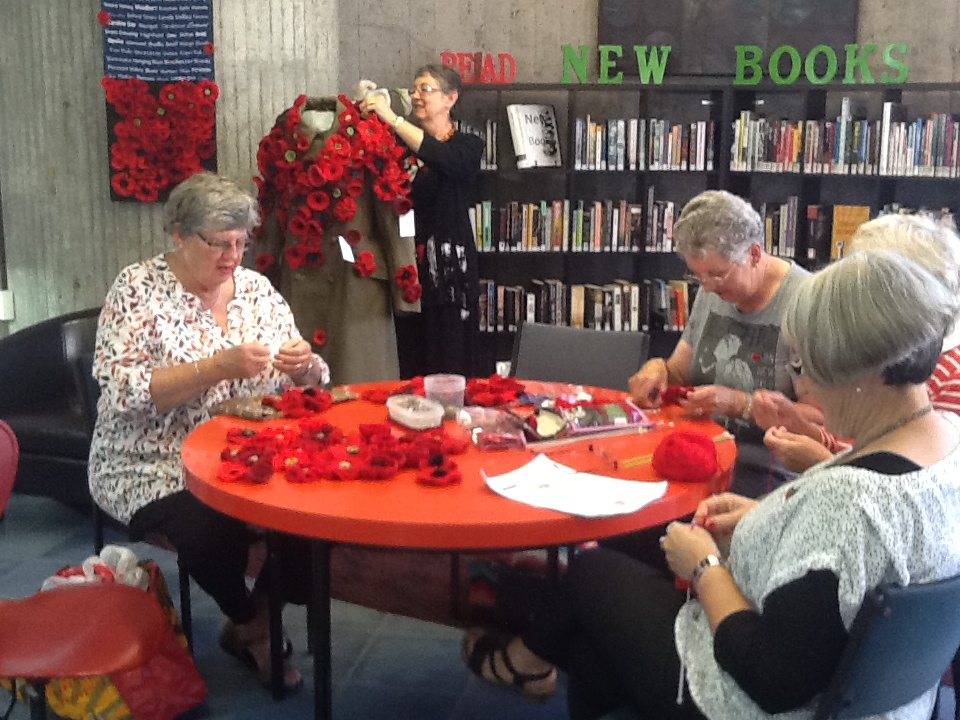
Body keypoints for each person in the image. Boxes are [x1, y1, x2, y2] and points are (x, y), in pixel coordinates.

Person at [462, 248, 960, 720]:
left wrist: (703, 567)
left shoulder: (852, 503)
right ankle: (536, 663)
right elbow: (846, 562)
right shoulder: (945, 443)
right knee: (595, 644)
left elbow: (773, 680)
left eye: (805, 367)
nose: (802, 385)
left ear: (861, 371)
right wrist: (763, 516)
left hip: (748, 700)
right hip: (878, 699)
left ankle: (522, 661)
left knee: (592, 572)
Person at [88, 172, 328, 690]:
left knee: (319, 510)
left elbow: (313, 378)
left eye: (242, 243)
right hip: (153, 460)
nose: (233, 257)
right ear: (178, 234)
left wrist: (304, 365)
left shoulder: (258, 290)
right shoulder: (137, 290)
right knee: (211, 526)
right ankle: (254, 627)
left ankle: (251, 618)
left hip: (249, 454)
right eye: (219, 244)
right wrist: (216, 367)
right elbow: (121, 393)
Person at [628, 190, 816, 497]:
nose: (708, 288)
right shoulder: (713, 289)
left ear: (755, 254)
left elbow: (821, 421)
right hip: (699, 447)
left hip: (764, 467)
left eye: (717, 274)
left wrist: (739, 404)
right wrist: (655, 369)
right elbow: (678, 374)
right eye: (698, 275)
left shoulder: (807, 304)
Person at [765, 212, 960, 472]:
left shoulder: (950, 378)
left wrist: (820, 465)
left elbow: (905, 480)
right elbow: (864, 442)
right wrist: (806, 429)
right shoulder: (894, 356)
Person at [255, 87, 422, 385]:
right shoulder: (283, 137)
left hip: (358, 284)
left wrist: (406, 286)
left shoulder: (368, 132)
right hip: (298, 275)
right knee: (300, 382)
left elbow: (394, 211)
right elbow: (268, 214)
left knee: (359, 380)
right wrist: (255, 286)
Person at [361, 64, 484, 378]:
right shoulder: (399, 148)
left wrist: (393, 118)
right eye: (413, 90)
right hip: (409, 268)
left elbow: (440, 156)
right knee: (412, 366)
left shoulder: (468, 146)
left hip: (449, 271)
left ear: (450, 99)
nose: (416, 96)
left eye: (425, 89)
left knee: (451, 367)